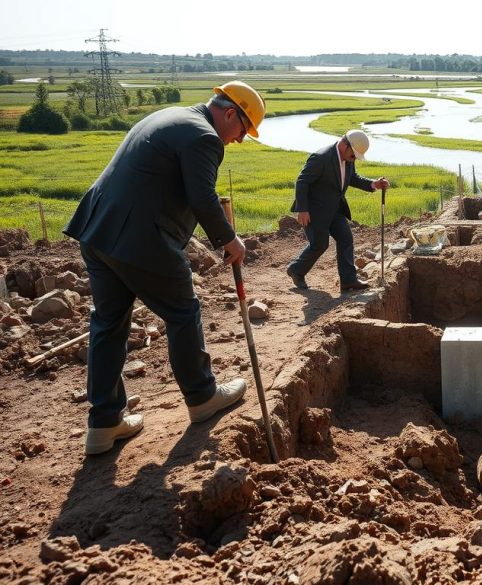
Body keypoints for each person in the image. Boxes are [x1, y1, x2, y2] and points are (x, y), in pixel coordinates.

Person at [63, 81, 266, 456]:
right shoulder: (204, 136)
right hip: (140, 237)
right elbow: (202, 197)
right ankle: (203, 397)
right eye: (242, 130)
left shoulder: (171, 117)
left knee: (109, 323)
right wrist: (230, 240)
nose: (238, 140)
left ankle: (104, 423)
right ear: (230, 113)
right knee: (183, 312)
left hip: (98, 231)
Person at [286, 130, 389, 291]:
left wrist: (373, 184)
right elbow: (302, 181)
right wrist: (303, 209)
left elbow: (352, 178)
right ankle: (296, 270)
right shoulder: (321, 158)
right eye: (354, 155)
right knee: (320, 245)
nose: (354, 159)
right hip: (315, 210)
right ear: (344, 145)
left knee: (346, 238)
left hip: (335, 208)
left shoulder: (348, 159)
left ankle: (348, 280)